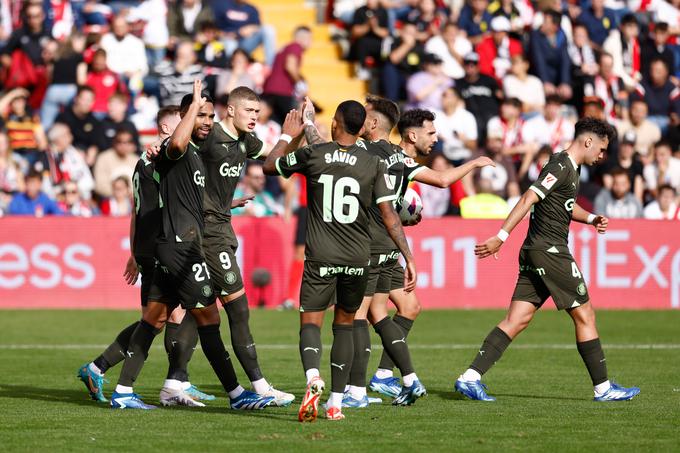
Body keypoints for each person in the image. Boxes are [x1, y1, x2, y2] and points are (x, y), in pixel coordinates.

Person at [109, 80, 274, 410]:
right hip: (180, 247)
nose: (207, 122)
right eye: (201, 116)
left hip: (176, 246)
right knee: (208, 319)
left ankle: (123, 390)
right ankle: (236, 395)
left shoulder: (196, 155)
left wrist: (229, 204)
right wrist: (193, 105)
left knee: (153, 320)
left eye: (211, 117)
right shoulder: (176, 150)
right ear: (186, 118)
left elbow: (193, 201)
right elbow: (174, 146)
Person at [456, 117, 640, 402]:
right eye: (602, 149)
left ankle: (470, 377)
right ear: (588, 141)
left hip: (535, 251)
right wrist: (500, 237)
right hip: (550, 250)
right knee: (585, 315)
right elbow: (530, 196)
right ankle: (603, 388)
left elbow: (565, 205)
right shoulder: (561, 165)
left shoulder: (569, 167)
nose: (602, 156)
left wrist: (591, 218)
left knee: (517, 319)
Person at [263, 101, 417, 422]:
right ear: (363, 128)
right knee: (345, 325)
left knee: (310, 324)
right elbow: (389, 216)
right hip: (358, 259)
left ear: (334, 123)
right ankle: (335, 402)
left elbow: (270, 166)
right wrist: (409, 256)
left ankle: (312, 379)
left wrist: (287, 135)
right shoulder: (373, 163)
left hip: (321, 256)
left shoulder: (314, 155)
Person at [77, 105, 215, 406]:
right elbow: (168, 208)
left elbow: (138, 212)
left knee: (167, 315)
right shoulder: (159, 160)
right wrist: (144, 250)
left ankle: (174, 381)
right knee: (161, 317)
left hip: (151, 244)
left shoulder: (144, 162)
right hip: (163, 247)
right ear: (167, 129)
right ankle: (128, 378)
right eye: (183, 122)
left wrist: (134, 250)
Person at [362, 108, 493, 399]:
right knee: (369, 315)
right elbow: (444, 180)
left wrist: (401, 212)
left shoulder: (397, 159)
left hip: (387, 245)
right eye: (431, 133)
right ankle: (351, 389)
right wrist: (473, 163)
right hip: (371, 245)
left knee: (410, 307)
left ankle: (383, 374)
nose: (435, 138)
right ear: (412, 134)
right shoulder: (394, 159)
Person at [198, 86, 295, 407]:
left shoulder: (246, 141)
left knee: (193, 311)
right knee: (237, 309)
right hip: (207, 233)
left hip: (220, 226)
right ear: (230, 110)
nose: (255, 117)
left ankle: (174, 382)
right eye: (249, 111)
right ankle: (260, 385)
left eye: (257, 112)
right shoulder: (208, 136)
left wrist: (299, 135)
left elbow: (273, 158)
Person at [262, 26, 312, 125]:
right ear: (303, 38)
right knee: (291, 123)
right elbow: (290, 66)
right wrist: (300, 83)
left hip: (270, 90)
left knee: (274, 122)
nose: (311, 42)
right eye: (310, 38)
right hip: (282, 92)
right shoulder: (296, 46)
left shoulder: (285, 48)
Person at [211, 0, 277, 66]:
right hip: (227, 40)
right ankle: (230, 69)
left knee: (268, 29)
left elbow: (258, 27)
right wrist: (232, 34)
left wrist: (251, 29)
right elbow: (214, 29)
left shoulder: (252, 9)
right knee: (231, 44)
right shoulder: (221, 4)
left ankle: (271, 67)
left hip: (245, 43)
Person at [55, 85, 105, 167]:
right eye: (84, 99)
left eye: (90, 100)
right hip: (65, 156)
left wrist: (93, 151)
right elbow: (57, 141)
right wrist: (74, 152)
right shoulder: (63, 117)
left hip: (85, 159)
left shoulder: (94, 121)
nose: (86, 103)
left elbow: (96, 143)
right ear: (76, 99)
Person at [528, 9, 572, 100]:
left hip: (557, 77)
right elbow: (539, 60)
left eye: (546, 22)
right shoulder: (536, 36)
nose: (542, 24)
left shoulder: (562, 36)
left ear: (555, 26)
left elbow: (565, 60)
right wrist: (545, 82)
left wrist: (565, 82)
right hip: (541, 76)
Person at [434, 86, 478, 165]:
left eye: (445, 95)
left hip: (463, 157)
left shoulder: (467, 116)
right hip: (442, 157)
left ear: (456, 99)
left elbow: (473, 145)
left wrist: (464, 139)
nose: (442, 98)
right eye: (442, 95)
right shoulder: (435, 115)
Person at [93, 129, 138, 199]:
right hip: (109, 200)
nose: (123, 145)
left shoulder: (136, 160)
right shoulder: (103, 158)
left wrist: (129, 194)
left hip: (132, 201)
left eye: (127, 142)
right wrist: (119, 194)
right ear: (114, 143)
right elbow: (99, 185)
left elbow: (141, 185)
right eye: (120, 142)